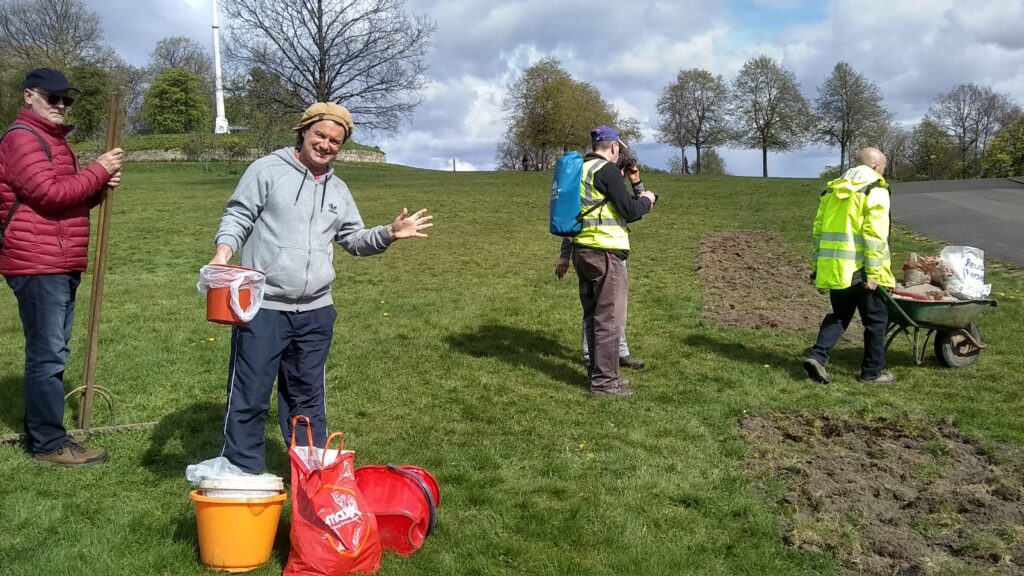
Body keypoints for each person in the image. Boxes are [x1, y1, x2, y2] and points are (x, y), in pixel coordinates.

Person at [209, 102, 432, 474]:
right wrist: (223, 253)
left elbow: (355, 239)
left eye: (335, 141)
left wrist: (389, 234)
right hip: (262, 306)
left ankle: (312, 479)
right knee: (250, 395)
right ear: (304, 131)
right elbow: (238, 214)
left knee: (308, 400)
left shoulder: (339, 190)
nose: (326, 145)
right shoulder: (267, 170)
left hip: (315, 312)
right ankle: (241, 474)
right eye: (320, 136)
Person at [0, 68, 124, 466]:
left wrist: (97, 186)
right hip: (36, 262)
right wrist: (98, 170)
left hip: (57, 259)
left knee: (54, 350)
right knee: (48, 354)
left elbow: (67, 201)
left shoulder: (53, 142)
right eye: (52, 98)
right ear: (28, 97)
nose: (60, 105)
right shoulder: (22, 139)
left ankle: (44, 431)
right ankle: (48, 444)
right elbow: (49, 194)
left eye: (66, 99)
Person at [570, 126, 656, 398]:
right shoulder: (606, 170)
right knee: (609, 320)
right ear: (614, 147)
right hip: (606, 252)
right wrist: (647, 199)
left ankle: (598, 375)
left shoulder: (579, 170)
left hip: (581, 250)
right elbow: (630, 211)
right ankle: (605, 383)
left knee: (593, 316)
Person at [803, 147, 895, 385]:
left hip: (836, 268)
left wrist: (818, 266)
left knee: (840, 315)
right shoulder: (875, 189)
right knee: (876, 320)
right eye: (883, 167)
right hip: (863, 270)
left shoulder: (831, 190)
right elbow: (874, 234)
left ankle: (817, 356)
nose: (883, 172)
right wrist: (874, 272)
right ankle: (872, 373)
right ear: (875, 166)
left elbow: (818, 231)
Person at [556, 149, 645, 371]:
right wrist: (563, 255)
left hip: (603, 251)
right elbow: (577, 219)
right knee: (602, 313)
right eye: (624, 174)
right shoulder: (601, 178)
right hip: (602, 252)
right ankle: (594, 361)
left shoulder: (597, 179)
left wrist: (637, 184)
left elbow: (629, 211)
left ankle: (618, 353)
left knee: (612, 311)